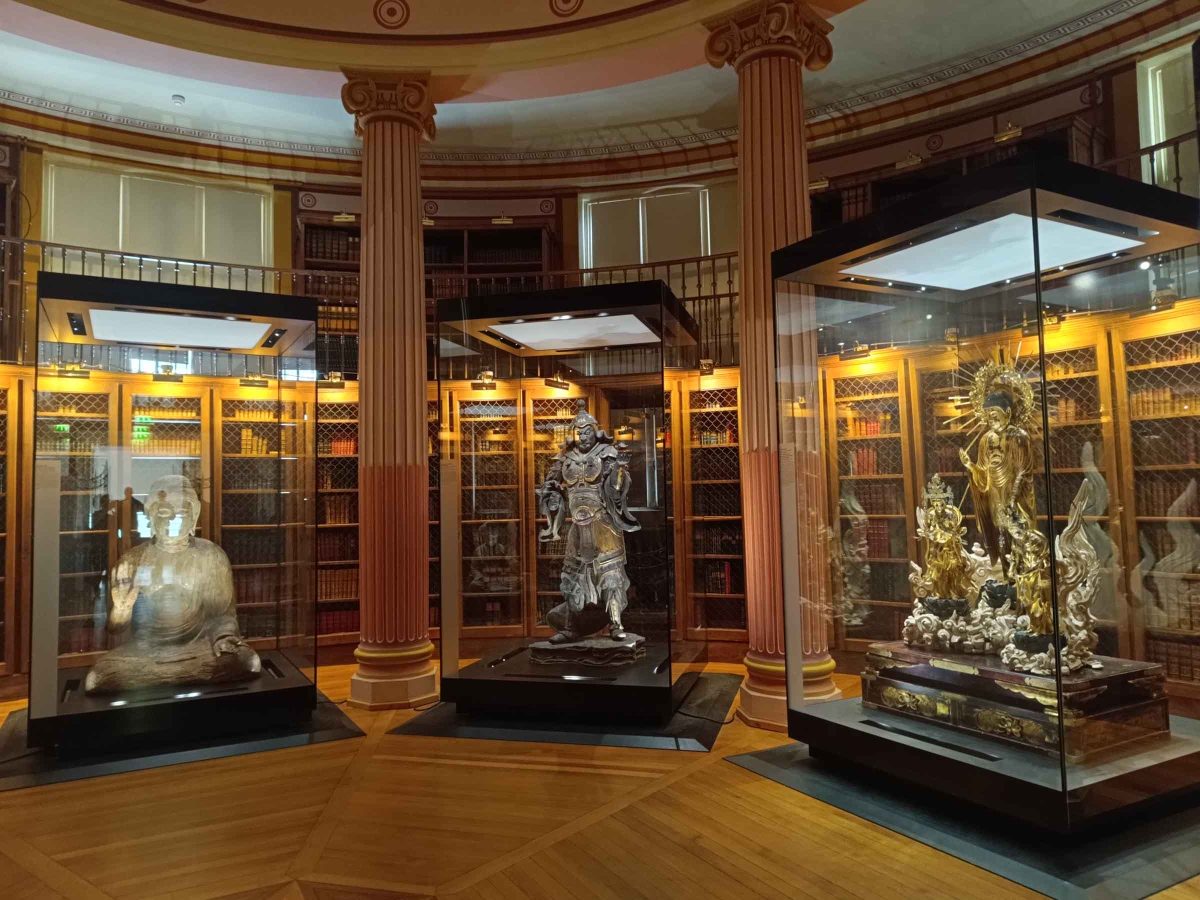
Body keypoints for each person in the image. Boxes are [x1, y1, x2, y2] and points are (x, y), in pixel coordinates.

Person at [537, 402, 640, 643]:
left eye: (587, 432)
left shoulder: (607, 453)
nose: (583, 437)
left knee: (611, 576)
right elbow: (550, 484)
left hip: (603, 525)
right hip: (577, 525)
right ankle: (570, 626)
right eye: (579, 432)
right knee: (571, 576)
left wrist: (619, 476)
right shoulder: (565, 457)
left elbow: (617, 487)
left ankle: (615, 623)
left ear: (595, 431)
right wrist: (551, 494)